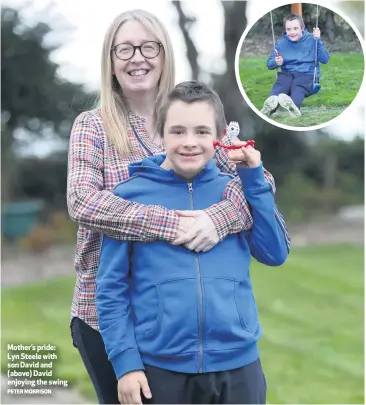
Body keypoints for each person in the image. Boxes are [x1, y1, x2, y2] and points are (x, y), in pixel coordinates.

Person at [67, 9, 288, 404]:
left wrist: (214, 219)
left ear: (165, 53)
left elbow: (257, 182)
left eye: (148, 46)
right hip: (107, 313)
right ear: (110, 61)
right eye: (125, 49)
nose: (138, 57)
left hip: (195, 329)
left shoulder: (191, 115)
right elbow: (83, 202)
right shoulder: (93, 125)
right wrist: (173, 223)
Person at [261, 13, 330, 118]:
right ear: (285, 30)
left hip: (306, 74)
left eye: (295, 28)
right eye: (289, 29)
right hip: (287, 73)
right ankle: (270, 107)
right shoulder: (281, 44)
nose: (292, 32)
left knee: (298, 87)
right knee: (281, 85)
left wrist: (318, 41)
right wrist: (276, 62)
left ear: (302, 28)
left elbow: (325, 59)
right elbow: (269, 64)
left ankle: (294, 109)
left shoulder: (312, 40)